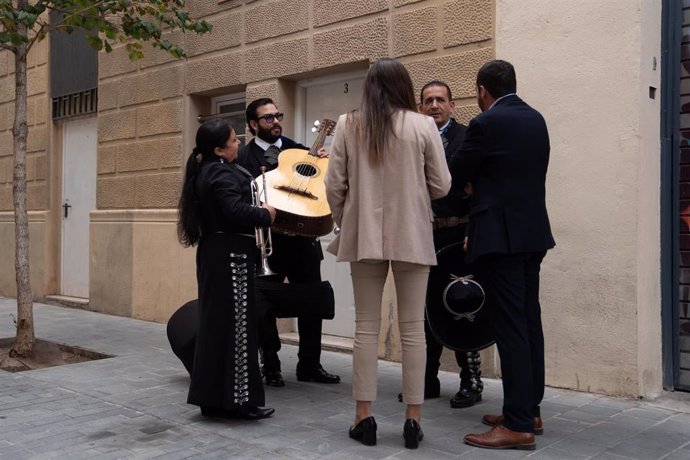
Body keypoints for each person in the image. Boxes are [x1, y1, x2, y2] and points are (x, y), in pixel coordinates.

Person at [325, 57, 451, 449]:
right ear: (406, 87)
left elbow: (334, 184)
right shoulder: (423, 124)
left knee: (365, 328)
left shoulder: (350, 123)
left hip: (364, 236)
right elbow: (442, 184)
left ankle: (364, 417)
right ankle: (413, 418)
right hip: (413, 234)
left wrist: (348, 216)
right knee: (414, 330)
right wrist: (414, 196)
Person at [450, 60, 555, 450]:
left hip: (501, 237)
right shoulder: (536, 118)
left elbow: (456, 174)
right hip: (533, 233)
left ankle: (518, 425)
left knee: (510, 327)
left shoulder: (486, 123)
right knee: (529, 322)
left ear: (481, 90)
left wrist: (472, 184)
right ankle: (529, 409)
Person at [177, 119, 277, 420]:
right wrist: (265, 214)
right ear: (219, 149)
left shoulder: (209, 169)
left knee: (217, 328)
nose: (238, 143)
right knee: (238, 329)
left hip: (218, 256)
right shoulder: (219, 171)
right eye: (234, 140)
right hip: (231, 258)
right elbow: (233, 210)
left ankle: (213, 400)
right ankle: (239, 402)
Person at [237, 98, 340, 387]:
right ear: (253, 125)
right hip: (267, 244)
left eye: (277, 115)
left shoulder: (299, 151)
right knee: (264, 307)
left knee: (312, 303)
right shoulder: (243, 160)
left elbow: (323, 188)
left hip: (304, 241)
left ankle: (310, 365)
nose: (275, 121)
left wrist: (326, 163)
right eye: (267, 118)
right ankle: (270, 364)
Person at [413, 80, 484, 408]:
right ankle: (426, 381)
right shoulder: (412, 141)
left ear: (452, 105)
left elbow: (480, 186)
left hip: (458, 235)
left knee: (461, 306)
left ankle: (471, 381)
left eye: (441, 100)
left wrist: (476, 230)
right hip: (422, 236)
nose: (434, 105)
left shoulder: (467, 136)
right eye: (428, 100)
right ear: (420, 107)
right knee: (425, 309)